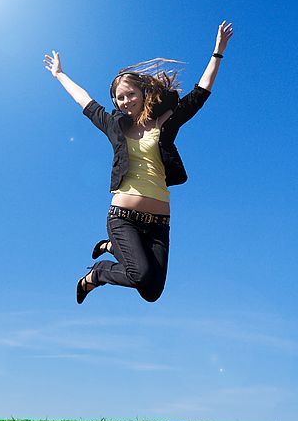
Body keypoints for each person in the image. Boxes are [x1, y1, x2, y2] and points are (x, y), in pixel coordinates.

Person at [43, 20, 233, 304]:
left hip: (159, 221)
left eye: (130, 94)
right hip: (124, 217)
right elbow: (85, 101)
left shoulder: (166, 122)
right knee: (142, 275)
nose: (125, 100)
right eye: (119, 98)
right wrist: (60, 74)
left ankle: (109, 248)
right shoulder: (115, 127)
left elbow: (201, 93)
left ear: (144, 93)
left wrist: (217, 51)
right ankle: (97, 274)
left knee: (152, 292)